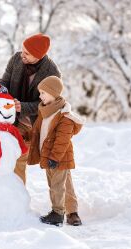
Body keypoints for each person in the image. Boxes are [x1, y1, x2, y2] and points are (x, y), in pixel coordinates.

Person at [0, 33, 61, 185]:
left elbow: (49, 105)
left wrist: (23, 107)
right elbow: (4, 82)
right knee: (15, 157)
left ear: (39, 56)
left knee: (53, 166)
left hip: (36, 123)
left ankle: (61, 204)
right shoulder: (16, 59)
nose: (22, 55)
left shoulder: (52, 72)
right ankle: (15, 196)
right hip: (15, 120)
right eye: (22, 49)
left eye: (27, 53)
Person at [27, 76, 84, 226]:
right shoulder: (45, 111)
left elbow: (62, 141)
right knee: (64, 184)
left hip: (58, 157)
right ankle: (71, 212)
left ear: (53, 93)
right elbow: (38, 131)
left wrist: (54, 157)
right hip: (50, 156)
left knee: (56, 186)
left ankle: (58, 213)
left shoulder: (64, 116)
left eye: (43, 93)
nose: (40, 96)